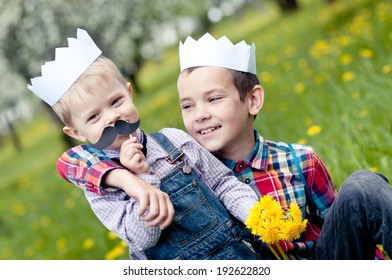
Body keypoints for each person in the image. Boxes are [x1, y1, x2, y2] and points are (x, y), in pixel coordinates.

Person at [54, 32, 392, 259]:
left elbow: (348, 230)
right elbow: (71, 162)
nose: (200, 115)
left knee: (363, 186)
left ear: (252, 101)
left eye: (213, 99)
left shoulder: (297, 161)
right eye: (187, 106)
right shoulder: (119, 169)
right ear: (77, 130)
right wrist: (135, 179)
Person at [27, 28, 262, 260]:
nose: (112, 117)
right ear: (76, 132)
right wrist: (142, 178)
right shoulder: (101, 188)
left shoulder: (173, 140)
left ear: (129, 92)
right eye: (94, 117)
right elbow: (143, 238)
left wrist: (255, 215)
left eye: (116, 101)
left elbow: (222, 183)